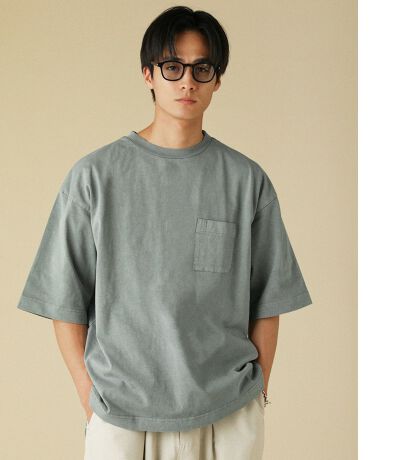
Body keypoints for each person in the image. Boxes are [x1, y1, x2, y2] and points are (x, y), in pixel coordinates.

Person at [16, 6, 313, 460]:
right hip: (120, 412)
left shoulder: (246, 181)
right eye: (173, 67)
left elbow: (269, 299)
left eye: (202, 68)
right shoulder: (94, 178)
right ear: (148, 74)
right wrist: (89, 397)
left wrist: (258, 395)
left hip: (228, 409)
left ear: (217, 79)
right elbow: (63, 299)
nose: (187, 81)